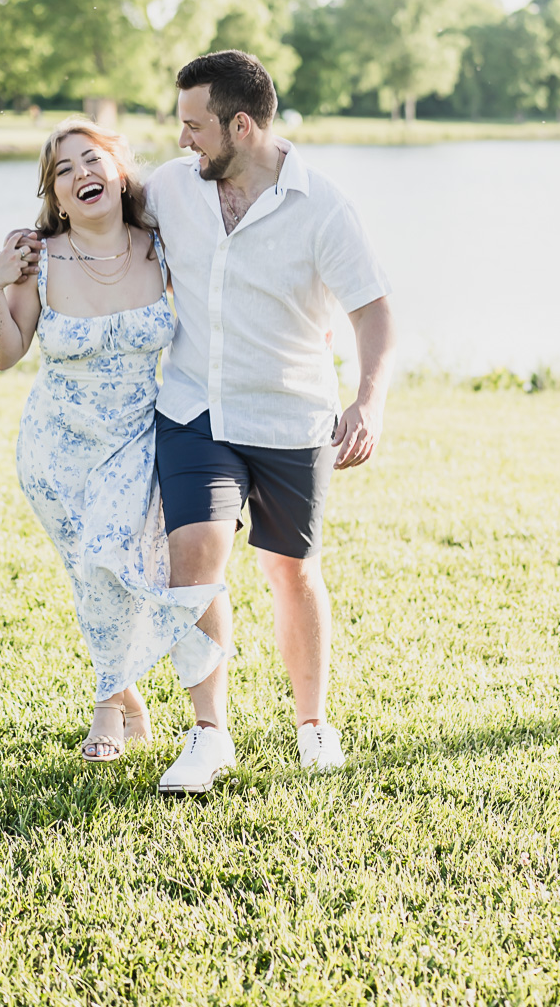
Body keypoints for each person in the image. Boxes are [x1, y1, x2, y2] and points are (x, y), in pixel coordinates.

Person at [147, 49, 396, 794]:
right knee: (194, 557)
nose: (183, 138)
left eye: (196, 125)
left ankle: (313, 724)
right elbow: (96, 223)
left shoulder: (323, 206)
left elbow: (374, 310)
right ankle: (208, 735)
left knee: (292, 570)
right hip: (195, 408)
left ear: (242, 124)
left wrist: (369, 400)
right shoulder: (170, 186)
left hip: (291, 415)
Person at [0, 118, 225, 762]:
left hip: (136, 441)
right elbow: (6, 353)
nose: (80, 174)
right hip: (54, 453)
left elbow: (220, 301)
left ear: (119, 171)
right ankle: (126, 698)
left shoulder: (159, 245)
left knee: (112, 567)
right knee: (92, 577)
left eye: (92, 160)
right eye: (63, 171)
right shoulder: (39, 258)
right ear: (55, 196)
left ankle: (106, 704)